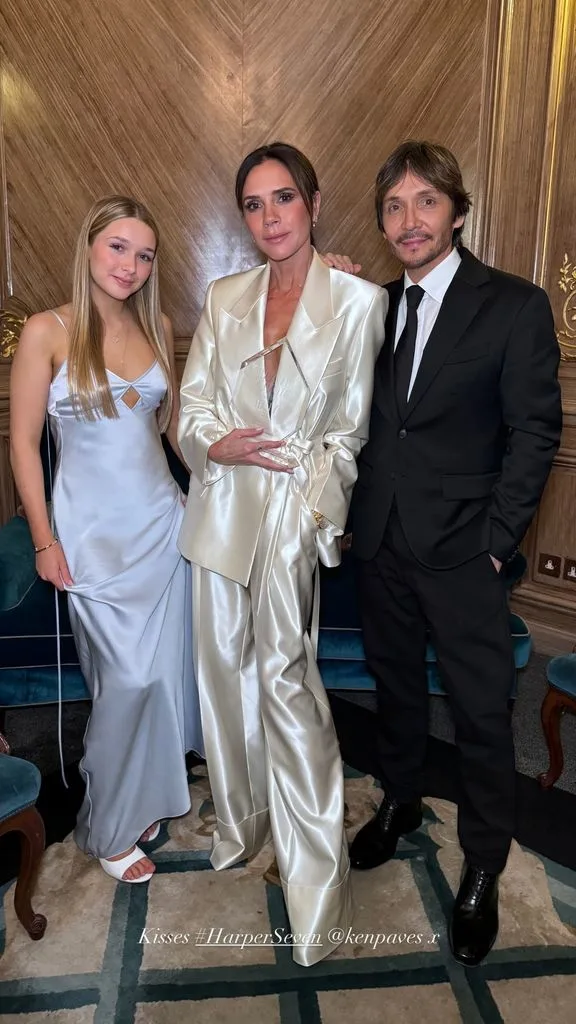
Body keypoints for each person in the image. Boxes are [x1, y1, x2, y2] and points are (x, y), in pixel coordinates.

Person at [348, 140, 562, 966]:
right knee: (396, 690)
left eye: (426, 202)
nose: (410, 221)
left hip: (467, 551)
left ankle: (483, 863)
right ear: (383, 223)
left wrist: (498, 545)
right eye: (394, 206)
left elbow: (535, 432)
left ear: (457, 213)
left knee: (479, 712)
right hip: (380, 541)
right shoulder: (369, 309)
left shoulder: (513, 305)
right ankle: (400, 800)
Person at [177, 142, 388, 966]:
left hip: (293, 515)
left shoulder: (358, 300)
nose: (270, 217)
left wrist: (311, 517)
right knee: (223, 675)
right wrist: (215, 445)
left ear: (314, 202)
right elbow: (192, 407)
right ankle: (245, 825)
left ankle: (316, 883)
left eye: (284, 198)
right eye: (254, 204)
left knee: (285, 685)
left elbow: (349, 433)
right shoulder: (224, 295)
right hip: (220, 509)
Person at [10, 195, 203, 884]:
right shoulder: (46, 330)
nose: (130, 265)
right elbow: (23, 445)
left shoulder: (159, 325)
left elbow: (171, 429)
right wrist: (44, 541)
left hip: (162, 525)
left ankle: (141, 796)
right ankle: (110, 822)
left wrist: (216, 477)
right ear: (89, 245)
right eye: (118, 247)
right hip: (91, 537)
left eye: (144, 255)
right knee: (124, 681)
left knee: (164, 677)